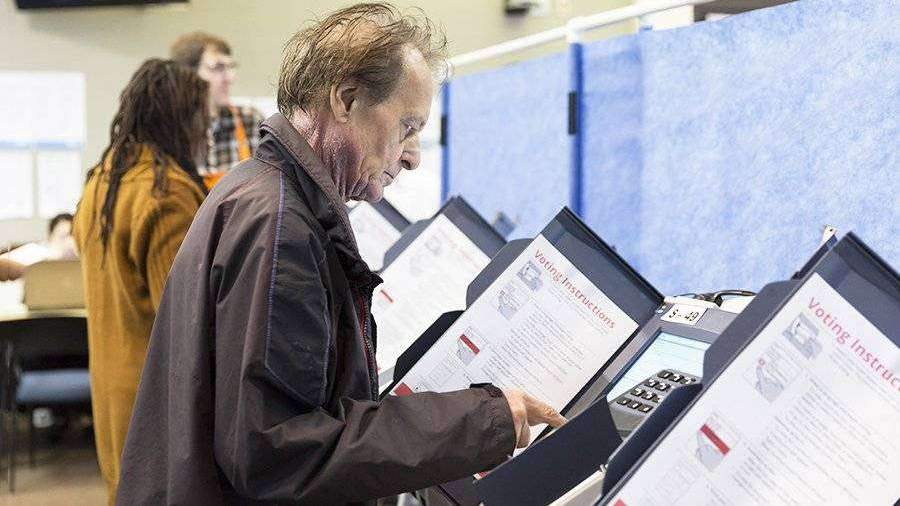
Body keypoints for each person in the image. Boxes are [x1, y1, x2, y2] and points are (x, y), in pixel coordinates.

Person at [118, 4, 565, 505]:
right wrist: (481, 421)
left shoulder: (261, 190)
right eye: (407, 126)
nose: (413, 156)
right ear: (347, 99)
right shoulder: (281, 227)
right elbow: (276, 454)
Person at [71, 59, 208, 504]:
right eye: (203, 120)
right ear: (181, 120)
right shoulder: (165, 192)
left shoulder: (103, 179)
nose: (208, 134)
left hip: (112, 391)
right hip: (156, 401)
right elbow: (184, 321)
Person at [170, 31, 265, 188]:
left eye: (230, 67)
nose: (230, 78)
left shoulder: (251, 121)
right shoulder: (171, 131)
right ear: (188, 74)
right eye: (218, 68)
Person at [0, 213, 78, 280]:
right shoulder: (36, 251)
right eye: (64, 236)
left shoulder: (79, 260)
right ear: (50, 237)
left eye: (74, 236)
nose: (70, 242)